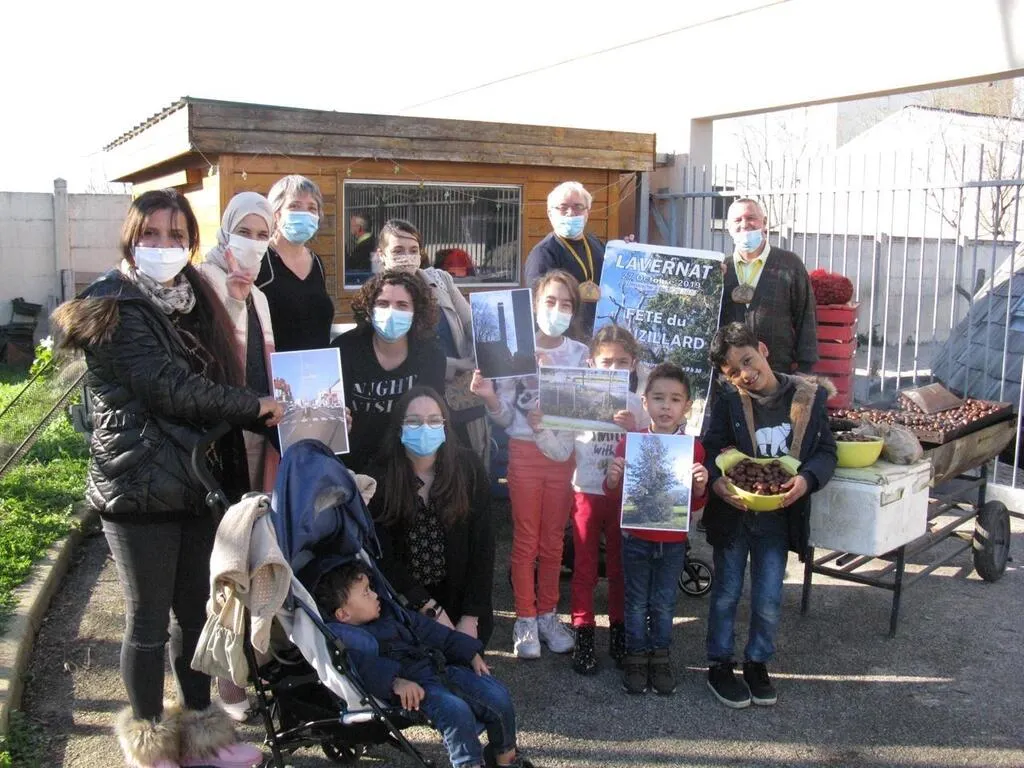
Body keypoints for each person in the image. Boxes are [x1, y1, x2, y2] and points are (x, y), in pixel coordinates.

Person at [52, 190, 284, 768]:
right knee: (148, 621)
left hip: (192, 479)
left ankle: (201, 736)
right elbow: (170, 388)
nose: (163, 245)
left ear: (191, 243)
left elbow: (220, 371)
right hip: (135, 486)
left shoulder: (193, 297)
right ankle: (151, 744)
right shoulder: (113, 305)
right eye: (151, 234)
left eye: (176, 235)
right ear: (131, 239)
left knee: (196, 614)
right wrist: (251, 406)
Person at [703, 322, 837, 709]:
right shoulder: (728, 400)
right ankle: (719, 664)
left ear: (762, 349)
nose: (745, 374)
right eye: (734, 371)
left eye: (747, 360)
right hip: (734, 515)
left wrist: (807, 480)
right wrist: (716, 482)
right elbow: (709, 448)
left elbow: (826, 452)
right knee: (726, 594)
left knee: (768, 597)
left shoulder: (806, 397)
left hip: (778, 520)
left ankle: (757, 662)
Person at [196, 190, 282, 723]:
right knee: (223, 560)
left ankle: (255, 661)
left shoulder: (261, 296)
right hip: (216, 439)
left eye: (262, 234)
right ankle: (227, 679)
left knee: (254, 552)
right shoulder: (202, 283)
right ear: (225, 229)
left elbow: (264, 365)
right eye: (244, 232)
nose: (253, 243)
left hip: (256, 435)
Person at [470, 270, 586, 659]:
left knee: (553, 540)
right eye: (550, 301)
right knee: (526, 539)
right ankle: (525, 617)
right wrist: (489, 396)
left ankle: (548, 615)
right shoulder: (512, 348)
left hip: (562, 454)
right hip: (523, 451)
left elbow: (587, 408)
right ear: (534, 305)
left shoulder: (580, 354)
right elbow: (505, 417)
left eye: (566, 304)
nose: (557, 310)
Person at [316, 562, 535, 768]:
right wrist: (395, 682)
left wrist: (470, 653)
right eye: (366, 593)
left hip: (440, 668)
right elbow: (365, 669)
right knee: (456, 713)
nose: (375, 595)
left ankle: (505, 759)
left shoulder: (395, 615)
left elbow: (436, 633)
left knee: (498, 696)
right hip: (416, 687)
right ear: (343, 614)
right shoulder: (350, 642)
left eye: (371, 588)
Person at [604, 363, 708, 695]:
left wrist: (701, 486)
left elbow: (694, 505)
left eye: (675, 399)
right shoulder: (630, 442)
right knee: (636, 602)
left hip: (673, 541)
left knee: (664, 603)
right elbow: (616, 496)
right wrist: (613, 479)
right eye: (659, 398)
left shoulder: (693, 448)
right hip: (635, 537)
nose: (666, 406)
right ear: (645, 401)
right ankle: (636, 658)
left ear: (687, 406)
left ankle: (660, 657)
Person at [367, 386, 495, 647]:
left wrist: (470, 617)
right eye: (414, 421)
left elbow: (483, 546)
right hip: (407, 607)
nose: (425, 428)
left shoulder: (468, 468)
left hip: (461, 603)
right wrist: (429, 609)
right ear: (399, 428)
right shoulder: (379, 477)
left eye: (434, 420)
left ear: (445, 426)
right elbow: (383, 556)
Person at [568, 325, 650, 675]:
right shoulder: (579, 398)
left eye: (621, 362)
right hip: (586, 491)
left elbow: (650, 450)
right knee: (584, 568)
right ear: (591, 363)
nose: (613, 369)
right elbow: (561, 441)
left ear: (633, 365)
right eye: (606, 362)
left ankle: (619, 631)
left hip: (622, 495)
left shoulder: (637, 405)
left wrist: (634, 430)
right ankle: (583, 634)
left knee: (619, 568)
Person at [375, 218, 490, 464]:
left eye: (413, 250)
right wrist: (454, 364)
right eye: (398, 251)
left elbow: (471, 323)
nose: (407, 257)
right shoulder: (379, 296)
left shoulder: (441, 280)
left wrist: (487, 351)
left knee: (468, 463)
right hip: (415, 400)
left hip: (460, 393)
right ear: (382, 255)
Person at [333, 269, 446, 473]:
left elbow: (433, 412)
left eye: (402, 305)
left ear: (416, 311)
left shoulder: (431, 353)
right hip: (353, 466)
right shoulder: (344, 349)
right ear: (369, 309)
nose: (391, 312)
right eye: (383, 304)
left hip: (406, 463)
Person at [719, 198, 818, 374]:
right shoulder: (722, 270)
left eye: (751, 218)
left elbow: (806, 317)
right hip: (733, 375)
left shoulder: (790, 264)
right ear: (728, 227)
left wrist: (805, 368)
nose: (744, 224)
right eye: (737, 220)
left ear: (764, 223)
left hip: (777, 372)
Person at [256, 175, 335, 351]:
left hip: (318, 365)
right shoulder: (260, 259)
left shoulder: (317, 263)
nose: (305, 214)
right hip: (272, 366)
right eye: (294, 206)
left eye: (312, 208)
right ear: (276, 214)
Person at [524, 181, 606, 336]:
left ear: (587, 212)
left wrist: (627, 250)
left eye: (578, 207)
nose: (571, 213)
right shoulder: (543, 254)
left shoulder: (597, 245)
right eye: (563, 207)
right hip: (567, 341)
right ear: (550, 213)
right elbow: (538, 308)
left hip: (599, 337)